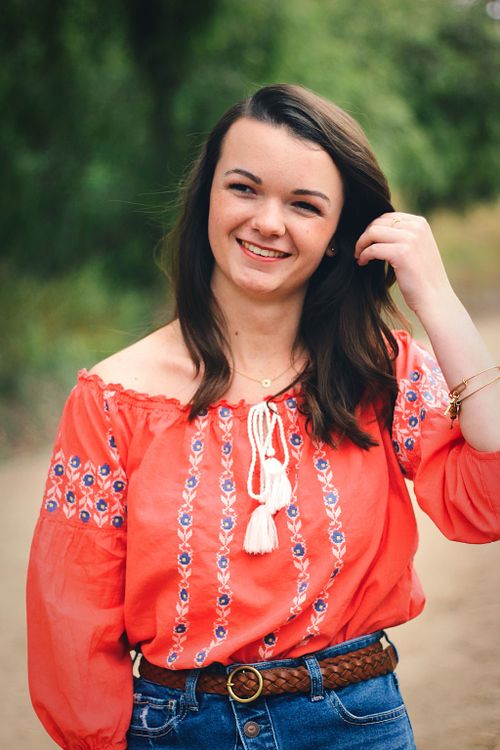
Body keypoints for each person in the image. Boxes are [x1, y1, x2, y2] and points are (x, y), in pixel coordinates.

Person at [27, 83, 500, 750]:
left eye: (305, 205)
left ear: (338, 236)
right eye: (244, 189)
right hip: (175, 732)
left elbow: (486, 500)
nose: (268, 222)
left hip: (355, 725)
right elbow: (72, 625)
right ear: (208, 198)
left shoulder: (378, 372)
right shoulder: (113, 399)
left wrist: (438, 297)